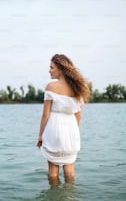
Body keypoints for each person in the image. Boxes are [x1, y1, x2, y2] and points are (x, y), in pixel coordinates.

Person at [37, 54, 90, 184]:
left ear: (60, 68)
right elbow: (79, 115)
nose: (49, 70)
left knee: (53, 174)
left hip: (54, 130)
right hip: (71, 130)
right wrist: (72, 132)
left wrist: (40, 137)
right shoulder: (77, 88)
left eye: (52, 67)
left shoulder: (51, 86)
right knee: (70, 173)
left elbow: (45, 115)